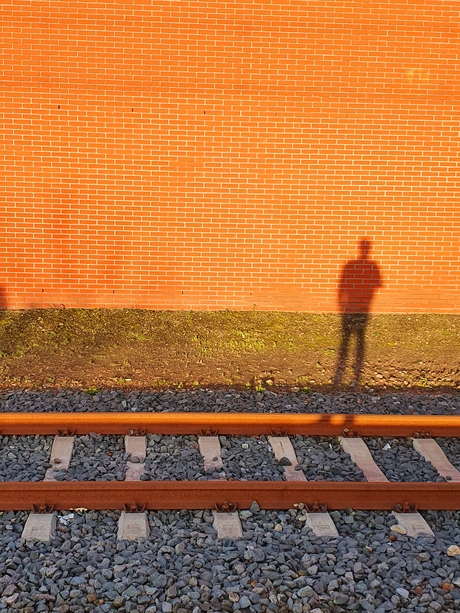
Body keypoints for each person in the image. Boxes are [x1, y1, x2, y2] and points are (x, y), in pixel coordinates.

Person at [333, 239, 382, 388]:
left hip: (351, 306)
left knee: (348, 337)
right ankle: (356, 370)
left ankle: (344, 371)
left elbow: (342, 286)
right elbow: (379, 284)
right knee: (359, 336)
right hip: (362, 305)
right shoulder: (372, 265)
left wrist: (342, 304)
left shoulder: (351, 264)